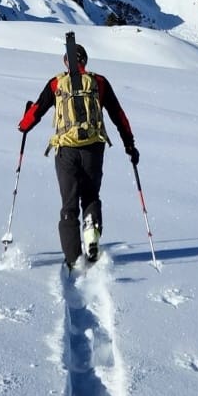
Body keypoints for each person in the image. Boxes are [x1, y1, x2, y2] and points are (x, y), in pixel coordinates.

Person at [18, 43, 139, 269]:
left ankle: (73, 259)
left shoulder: (56, 83)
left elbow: (37, 110)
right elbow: (118, 115)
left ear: (67, 62)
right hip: (94, 148)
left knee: (69, 204)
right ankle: (91, 232)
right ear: (85, 61)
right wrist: (129, 144)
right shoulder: (99, 82)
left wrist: (24, 125)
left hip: (66, 150)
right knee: (91, 196)